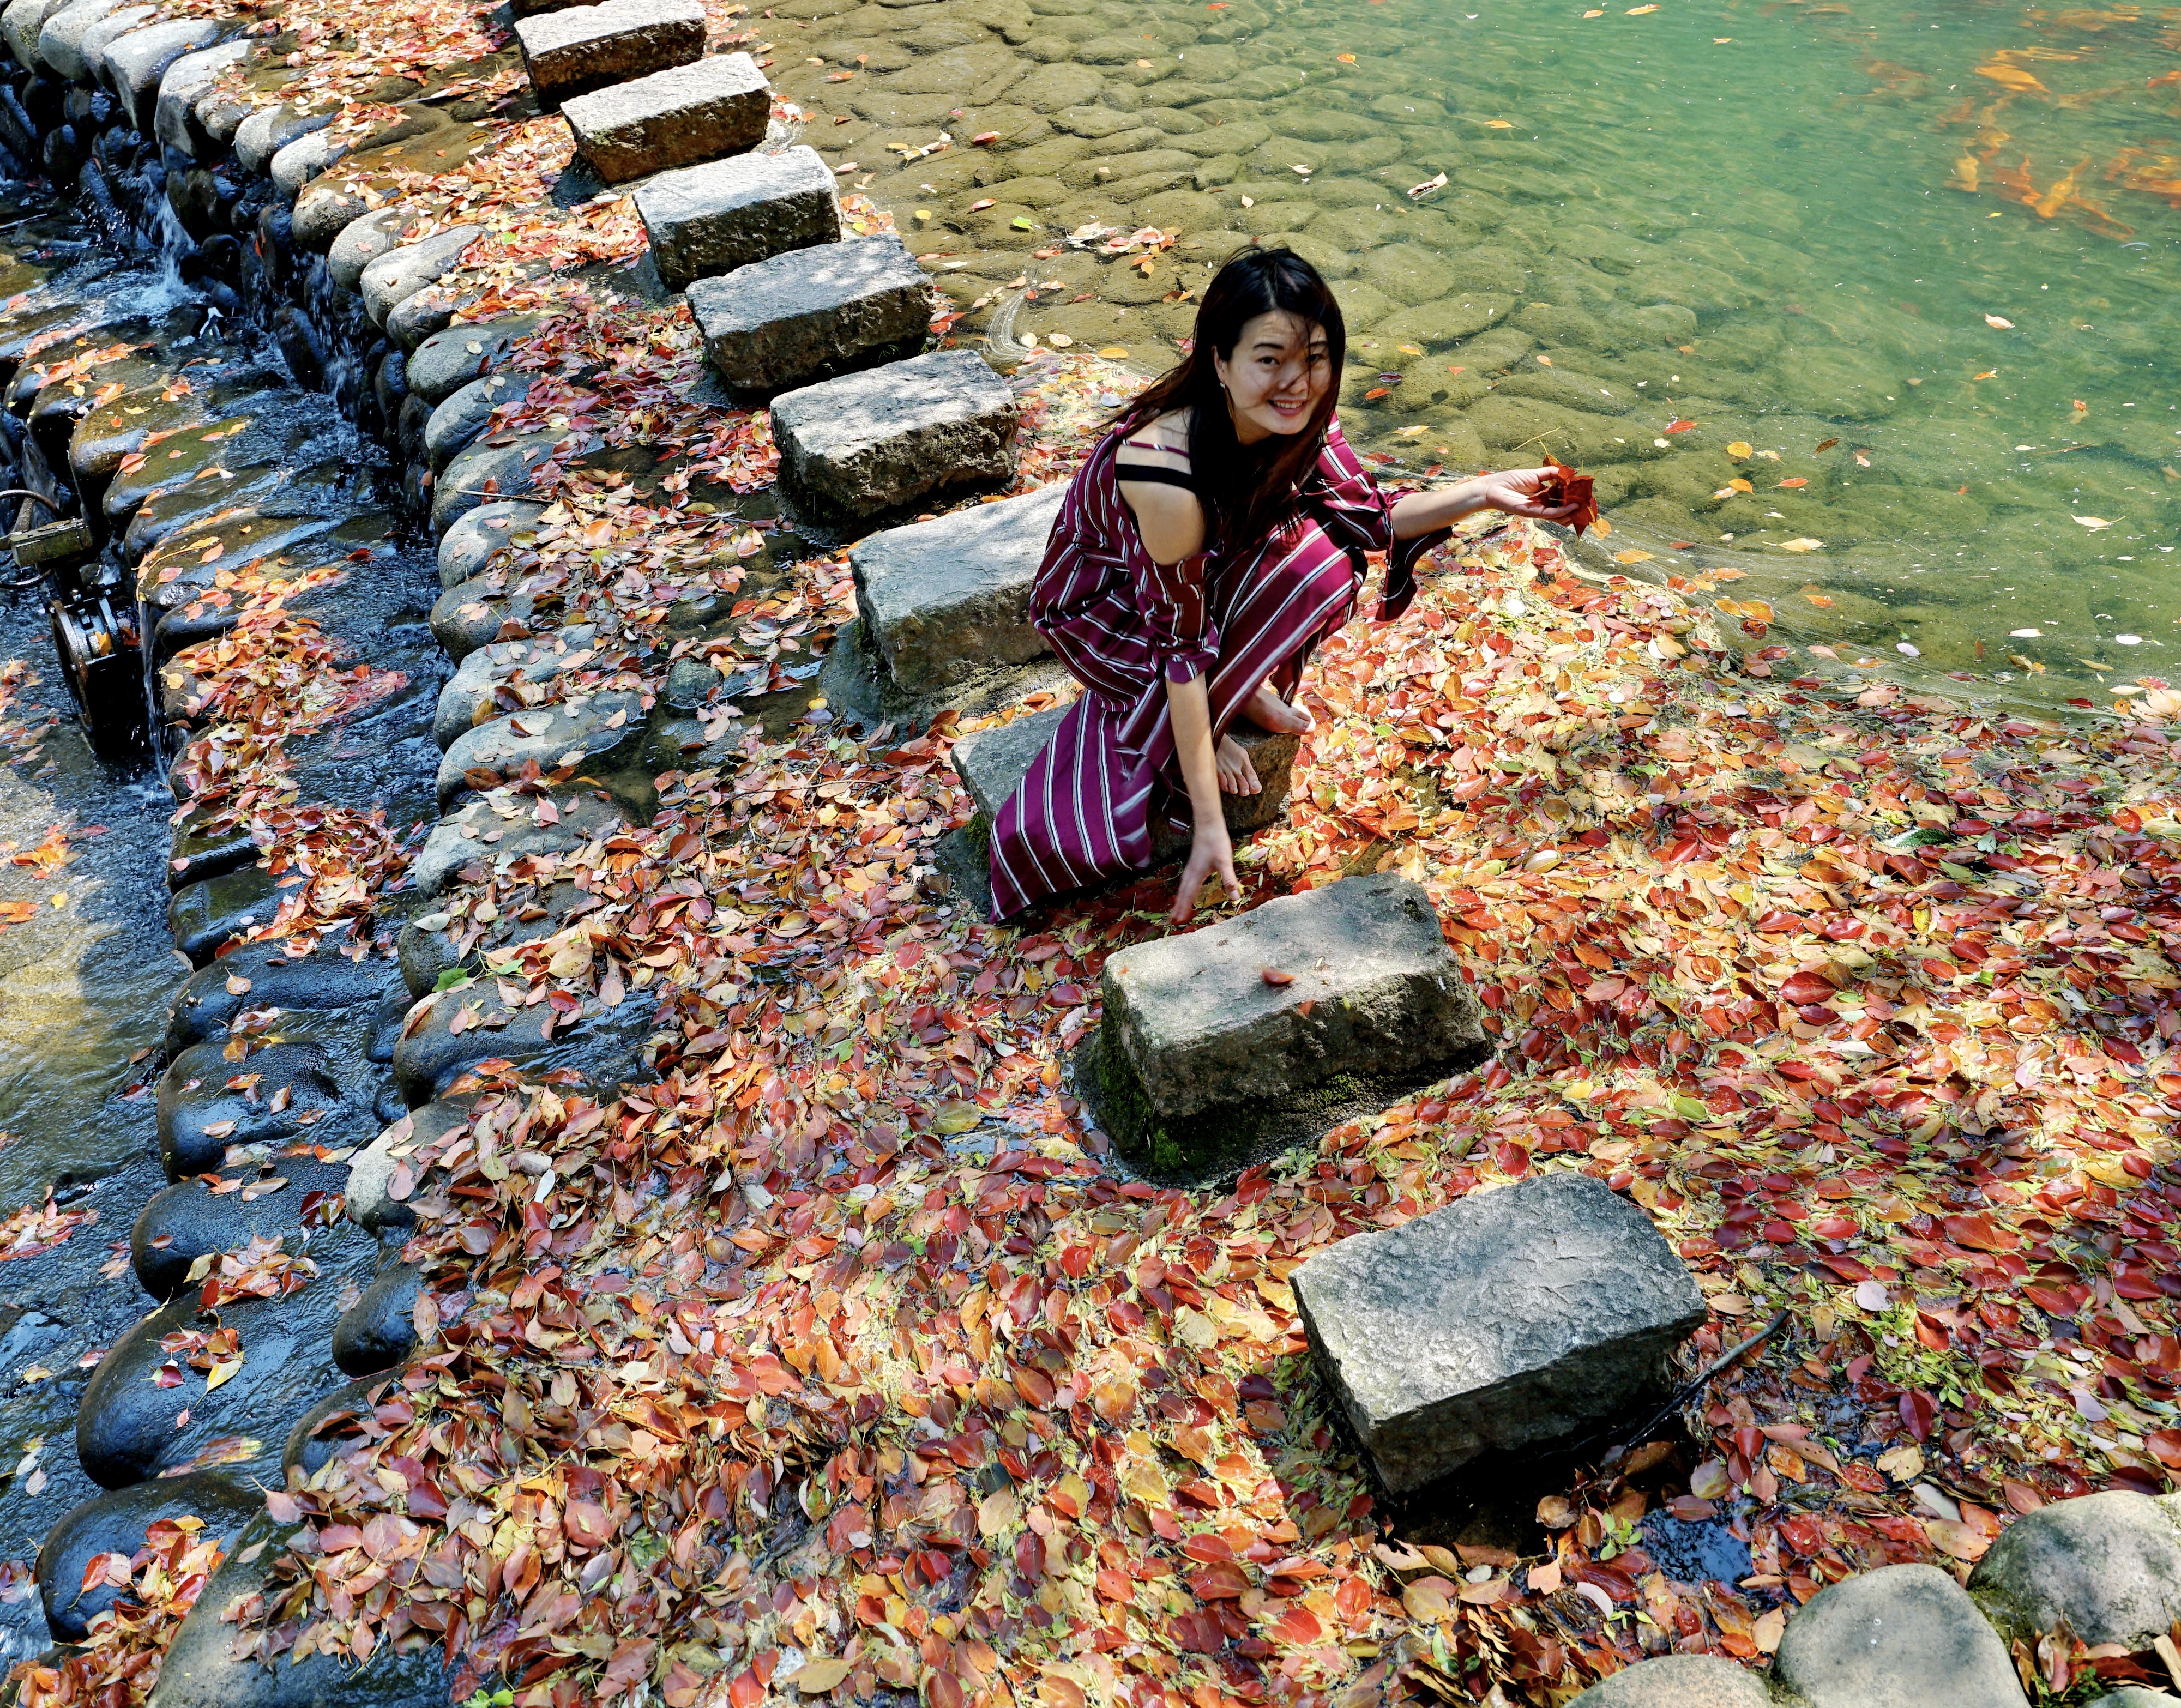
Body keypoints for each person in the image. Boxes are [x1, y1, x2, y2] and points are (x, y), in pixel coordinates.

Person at [987, 246, 1582, 925]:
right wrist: (1206, 805)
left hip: (1196, 584)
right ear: (1218, 359)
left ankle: (1237, 688)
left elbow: (1373, 518)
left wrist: (1484, 492)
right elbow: (1177, 648)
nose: (1295, 381)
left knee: (1323, 562)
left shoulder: (1299, 415)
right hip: (1104, 612)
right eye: (1269, 359)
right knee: (1279, 590)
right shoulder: (1165, 472)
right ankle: (1215, 714)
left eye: (1315, 357)